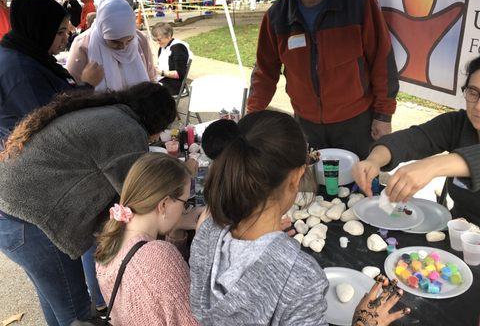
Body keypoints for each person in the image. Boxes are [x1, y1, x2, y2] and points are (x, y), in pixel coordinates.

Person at [190, 110, 408, 325]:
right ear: (296, 177)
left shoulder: (207, 230)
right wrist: (365, 322)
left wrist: (271, 248)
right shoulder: (300, 277)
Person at [0, 82, 176, 326]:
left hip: (12, 214)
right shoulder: (127, 129)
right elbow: (137, 198)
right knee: (76, 313)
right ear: (157, 123)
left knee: (58, 302)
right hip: (27, 220)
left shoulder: (110, 113)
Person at [353, 51, 480, 248]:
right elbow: (412, 139)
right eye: (473, 93)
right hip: (457, 235)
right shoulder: (458, 124)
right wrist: (374, 159)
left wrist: (433, 166)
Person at [247, 0, 398, 159]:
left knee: (360, 188)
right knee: (312, 189)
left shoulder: (359, 1)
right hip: (306, 125)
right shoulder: (276, 16)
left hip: (357, 122)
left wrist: (383, 115)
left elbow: (382, 60)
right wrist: (252, 115)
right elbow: (265, 72)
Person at [95, 153, 200, 325]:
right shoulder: (157, 256)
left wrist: (176, 229)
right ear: (164, 204)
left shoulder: (111, 239)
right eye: (184, 203)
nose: (184, 210)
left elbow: (158, 294)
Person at [0, 0, 103, 145]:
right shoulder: (22, 71)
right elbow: (51, 123)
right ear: (40, 30)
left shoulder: (29, 53)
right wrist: (86, 87)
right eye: (60, 32)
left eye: (66, 31)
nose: (66, 38)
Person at [67, 0, 156, 92]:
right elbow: (73, 89)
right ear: (102, 31)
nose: (123, 46)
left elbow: (151, 78)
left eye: (129, 40)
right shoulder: (83, 44)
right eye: (115, 42)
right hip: (100, 105)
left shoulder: (140, 40)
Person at [151, 22, 191, 96]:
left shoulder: (178, 48)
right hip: (164, 80)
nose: (157, 42)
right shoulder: (162, 47)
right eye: (155, 40)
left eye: (159, 40)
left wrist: (160, 72)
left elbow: (180, 74)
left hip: (174, 84)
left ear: (169, 36)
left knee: (147, 92)